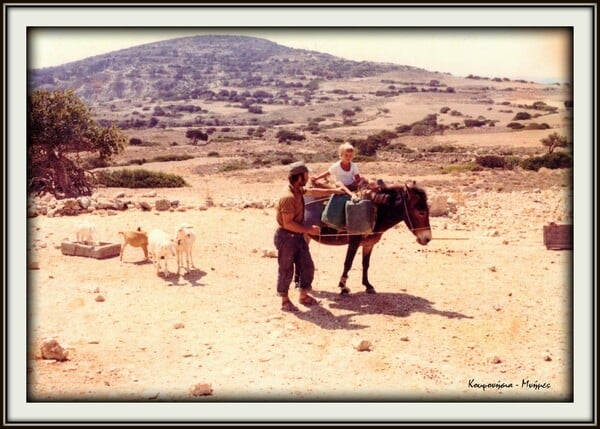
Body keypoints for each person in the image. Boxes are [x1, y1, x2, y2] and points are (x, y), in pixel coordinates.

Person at [275, 161, 344, 312]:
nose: (308, 177)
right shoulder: (288, 197)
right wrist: (309, 229)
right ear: (300, 177)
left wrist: (334, 191)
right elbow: (287, 224)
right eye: (306, 175)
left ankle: (303, 295)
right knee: (286, 268)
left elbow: (313, 192)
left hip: (298, 236)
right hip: (286, 237)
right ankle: (285, 301)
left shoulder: (298, 189)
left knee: (306, 265)